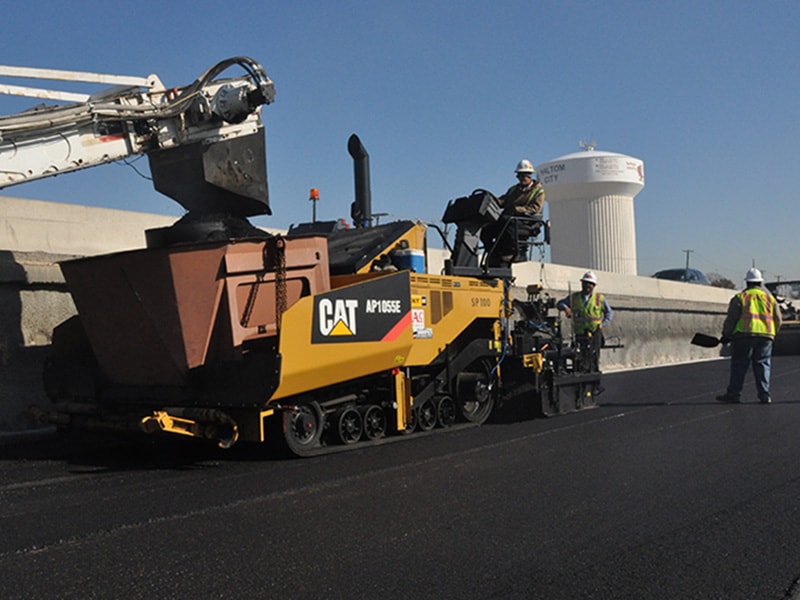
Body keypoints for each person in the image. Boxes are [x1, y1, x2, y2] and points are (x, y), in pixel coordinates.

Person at [716, 268, 782, 404]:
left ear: (747, 283)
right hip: (766, 336)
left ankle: (734, 394)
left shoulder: (740, 298)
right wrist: (773, 332)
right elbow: (778, 319)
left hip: (743, 336)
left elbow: (732, 319)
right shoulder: (770, 298)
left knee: (739, 365)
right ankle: (764, 395)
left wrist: (726, 335)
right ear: (760, 283)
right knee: (763, 365)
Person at [480, 159, 545, 265]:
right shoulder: (513, 189)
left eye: (524, 176)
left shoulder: (538, 191)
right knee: (486, 229)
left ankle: (516, 252)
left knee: (507, 223)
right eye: (519, 176)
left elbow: (535, 208)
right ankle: (494, 253)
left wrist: (517, 209)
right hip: (509, 220)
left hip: (525, 223)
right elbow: (503, 201)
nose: (521, 178)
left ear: (530, 176)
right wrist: (492, 200)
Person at [556, 271, 613, 374]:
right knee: (580, 357)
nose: (587, 285)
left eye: (590, 283)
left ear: (594, 286)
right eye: (585, 282)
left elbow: (609, 313)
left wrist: (603, 324)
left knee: (594, 357)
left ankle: (594, 379)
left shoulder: (599, 298)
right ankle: (581, 375)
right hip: (580, 333)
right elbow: (559, 303)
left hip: (594, 332)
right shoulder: (574, 298)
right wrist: (566, 308)